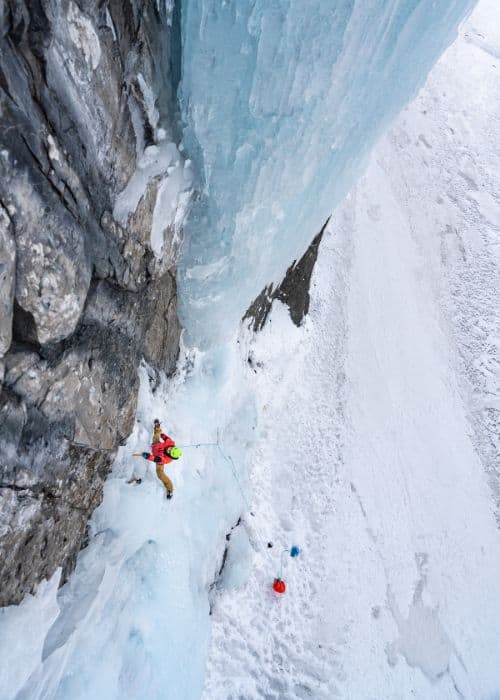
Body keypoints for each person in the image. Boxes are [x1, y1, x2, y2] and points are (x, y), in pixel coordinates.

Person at [141, 420, 182, 498]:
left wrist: (148, 456)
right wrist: (161, 435)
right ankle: (157, 426)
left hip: (158, 457)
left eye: (170, 452)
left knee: (160, 474)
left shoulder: (167, 459)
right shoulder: (171, 443)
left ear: (170, 455)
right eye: (171, 448)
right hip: (156, 445)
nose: (169, 449)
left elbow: (157, 459)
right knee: (156, 435)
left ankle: (170, 490)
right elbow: (165, 437)